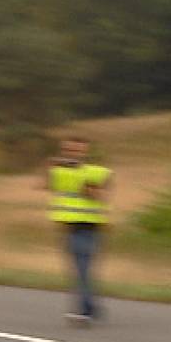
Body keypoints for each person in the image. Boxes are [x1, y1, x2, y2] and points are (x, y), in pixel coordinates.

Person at [46, 136, 112, 327]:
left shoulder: (95, 172)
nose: (72, 154)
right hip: (69, 227)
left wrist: (88, 187)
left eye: (77, 150)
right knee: (79, 271)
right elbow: (45, 185)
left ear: (85, 152)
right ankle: (90, 306)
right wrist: (50, 166)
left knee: (82, 269)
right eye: (68, 150)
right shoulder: (60, 172)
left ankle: (84, 310)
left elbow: (100, 196)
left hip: (88, 227)